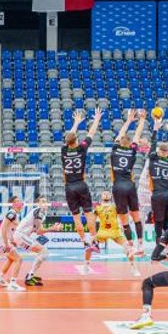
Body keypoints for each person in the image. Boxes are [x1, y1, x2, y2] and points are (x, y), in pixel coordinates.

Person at [60, 108, 103, 265]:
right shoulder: (82, 148)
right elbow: (91, 133)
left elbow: (69, 137)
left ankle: (84, 242)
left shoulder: (64, 150)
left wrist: (76, 123)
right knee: (88, 213)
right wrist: (96, 119)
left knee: (76, 216)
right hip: (81, 184)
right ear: (77, 140)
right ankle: (94, 241)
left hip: (69, 186)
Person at [109, 110, 146, 259]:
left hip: (118, 186)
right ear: (130, 144)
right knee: (136, 216)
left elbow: (121, 133)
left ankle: (130, 246)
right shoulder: (132, 151)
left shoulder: (115, 149)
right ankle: (141, 245)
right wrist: (142, 120)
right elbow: (137, 134)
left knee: (124, 220)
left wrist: (129, 120)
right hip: (130, 186)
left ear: (119, 142)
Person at [146, 138, 168, 262]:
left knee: (158, 225)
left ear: (159, 151)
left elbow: (152, 147)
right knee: (167, 224)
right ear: (167, 152)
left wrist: (155, 130)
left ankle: (159, 252)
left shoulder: (153, 159)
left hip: (158, 195)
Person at [11, 196, 52, 287]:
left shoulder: (41, 214)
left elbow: (38, 231)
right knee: (43, 251)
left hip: (22, 236)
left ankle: (31, 274)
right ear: (38, 204)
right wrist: (53, 228)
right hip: (21, 235)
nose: (45, 203)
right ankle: (29, 276)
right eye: (43, 201)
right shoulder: (38, 211)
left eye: (46, 201)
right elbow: (40, 231)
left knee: (43, 252)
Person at [0, 197, 26, 292]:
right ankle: (13, 284)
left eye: (20, 200)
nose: (20, 202)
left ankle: (0, 278)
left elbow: (10, 230)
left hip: (5, 240)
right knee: (19, 259)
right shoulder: (11, 214)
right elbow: (3, 228)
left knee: (11, 259)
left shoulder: (16, 214)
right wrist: (6, 243)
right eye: (17, 201)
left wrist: (12, 240)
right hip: (2, 241)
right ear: (13, 204)